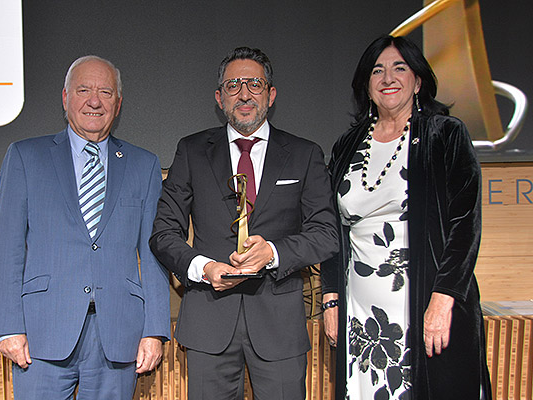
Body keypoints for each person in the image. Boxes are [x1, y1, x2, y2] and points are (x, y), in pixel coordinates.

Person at [150, 47, 338, 399]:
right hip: (209, 321)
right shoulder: (191, 151)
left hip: (279, 323)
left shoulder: (304, 154)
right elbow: (163, 232)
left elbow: (326, 234)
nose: (245, 93)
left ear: (271, 94)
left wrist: (273, 252)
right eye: (234, 85)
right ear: (220, 98)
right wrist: (202, 268)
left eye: (254, 83)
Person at [320, 35, 492, 399]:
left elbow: (465, 226)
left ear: (418, 80)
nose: (388, 77)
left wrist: (444, 299)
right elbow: (332, 230)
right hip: (361, 312)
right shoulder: (347, 145)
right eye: (377, 70)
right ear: (366, 86)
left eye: (400, 67)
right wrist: (332, 297)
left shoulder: (446, 134)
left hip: (426, 302)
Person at [0, 55, 171, 399]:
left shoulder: (143, 165)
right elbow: (8, 249)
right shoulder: (26, 157)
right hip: (41, 334)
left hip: (118, 335)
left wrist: (155, 330)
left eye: (105, 92)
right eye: (83, 90)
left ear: (118, 105)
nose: (94, 101)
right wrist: (8, 326)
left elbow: (153, 253)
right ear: (65, 97)